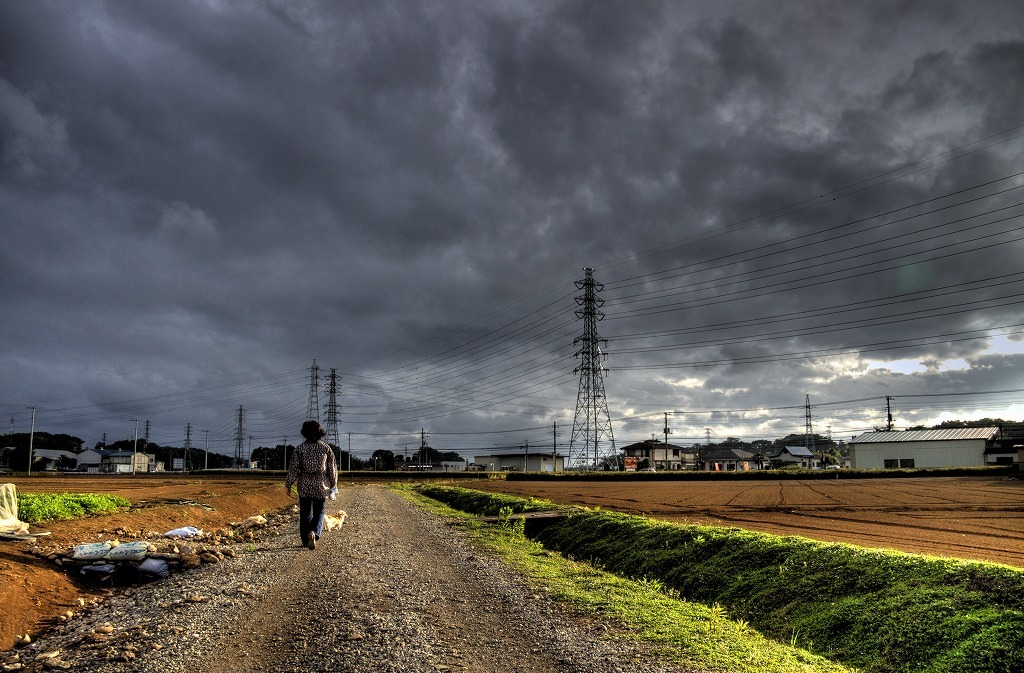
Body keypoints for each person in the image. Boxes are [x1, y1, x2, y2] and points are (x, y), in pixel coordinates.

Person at [285, 420, 338, 550]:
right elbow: (332, 469)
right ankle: (315, 532)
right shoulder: (326, 448)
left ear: (304, 433)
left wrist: (288, 484)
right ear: (319, 432)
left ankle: (305, 539)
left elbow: (294, 469)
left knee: (305, 513)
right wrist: (333, 485)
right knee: (319, 512)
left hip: (304, 485)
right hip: (320, 485)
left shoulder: (300, 449)